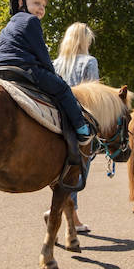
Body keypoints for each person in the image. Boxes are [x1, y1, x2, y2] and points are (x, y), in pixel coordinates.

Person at [0, 0, 92, 144]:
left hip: (1, 69)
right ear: (21, 3)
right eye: (37, 3)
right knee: (62, 89)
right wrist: (53, 74)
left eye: (44, 6)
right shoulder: (31, 21)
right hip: (25, 69)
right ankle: (81, 127)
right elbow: (42, 55)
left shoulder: (7, 26)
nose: (41, 9)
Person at [50, 22, 99, 233]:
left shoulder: (55, 62)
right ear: (84, 40)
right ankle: (71, 216)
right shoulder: (90, 61)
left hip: (55, 120)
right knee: (77, 168)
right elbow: (94, 94)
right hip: (79, 119)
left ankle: (61, 209)